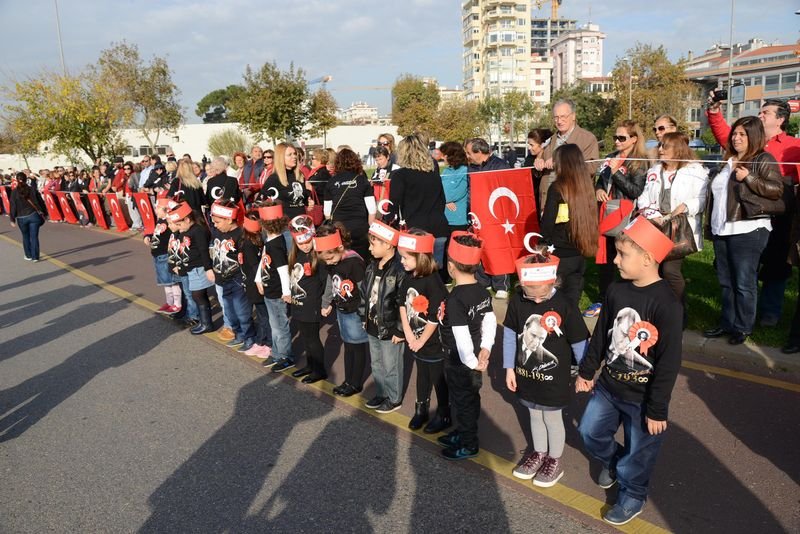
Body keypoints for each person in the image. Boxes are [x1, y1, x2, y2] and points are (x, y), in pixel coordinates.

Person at [576, 217, 682, 526]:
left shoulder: (667, 304)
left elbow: (668, 362)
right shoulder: (615, 290)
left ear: (648, 259)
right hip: (609, 388)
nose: (614, 259)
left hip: (643, 399)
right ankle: (614, 460)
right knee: (589, 432)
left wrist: (657, 409)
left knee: (640, 454)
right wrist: (586, 371)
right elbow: (601, 336)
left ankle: (633, 493)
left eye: (622, 254)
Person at [707, 96, 800, 328]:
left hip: (778, 212)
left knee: (776, 265)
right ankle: (736, 318)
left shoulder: (793, 146)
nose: (760, 115)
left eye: (765, 113)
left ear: (780, 119)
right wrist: (715, 111)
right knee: (738, 272)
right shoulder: (746, 143)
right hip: (742, 213)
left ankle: (769, 312)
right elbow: (724, 134)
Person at [504, 247, 589, 486]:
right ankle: (539, 453)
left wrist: (585, 372)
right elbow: (510, 334)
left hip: (555, 380)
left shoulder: (564, 304)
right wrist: (509, 367)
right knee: (533, 414)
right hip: (526, 375)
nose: (538, 300)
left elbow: (579, 339)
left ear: (553, 281)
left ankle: (554, 459)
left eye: (542, 294)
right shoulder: (518, 302)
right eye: (531, 295)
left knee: (551, 418)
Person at [703, 116, 784, 345]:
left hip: (748, 228)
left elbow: (776, 190)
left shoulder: (762, 159)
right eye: (735, 134)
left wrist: (748, 177)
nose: (736, 138)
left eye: (742, 134)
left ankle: (743, 327)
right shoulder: (727, 160)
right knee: (726, 281)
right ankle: (727, 322)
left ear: (754, 136)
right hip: (723, 229)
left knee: (743, 282)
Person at [637, 132, 709, 326]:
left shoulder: (696, 171)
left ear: (678, 149)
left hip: (678, 227)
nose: (660, 150)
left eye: (665, 147)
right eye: (660, 146)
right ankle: (656, 311)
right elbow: (643, 197)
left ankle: (678, 312)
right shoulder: (655, 170)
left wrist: (686, 206)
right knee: (652, 270)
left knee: (670, 270)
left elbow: (703, 199)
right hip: (655, 225)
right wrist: (652, 213)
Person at [437, 232, 496, 460]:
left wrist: (473, 362)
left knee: (463, 401)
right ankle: (462, 432)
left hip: (460, 361)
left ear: (451, 266)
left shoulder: (455, 299)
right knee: (468, 399)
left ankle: (469, 443)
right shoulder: (482, 291)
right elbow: (489, 320)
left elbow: (461, 338)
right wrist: (486, 348)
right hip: (473, 359)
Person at [588, 120, 649, 318]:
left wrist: (615, 172)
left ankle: (626, 300)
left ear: (633, 139)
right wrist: (598, 190)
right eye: (615, 137)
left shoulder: (639, 162)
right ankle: (604, 298)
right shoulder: (610, 158)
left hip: (625, 218)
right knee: (605, 260)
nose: (616, 141)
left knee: (624, 259)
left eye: (621, 138)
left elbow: (635, 190)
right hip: (606, 214)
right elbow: (600, 181)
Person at [398, 229, 450, 433]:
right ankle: (421, 410)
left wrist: (420, 340)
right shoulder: (408, 276)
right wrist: (409, 334)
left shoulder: (433, 281)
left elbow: (435, 316)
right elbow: (402, 303)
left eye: (405, 257)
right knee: (422, 375)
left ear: (420, 257)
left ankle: (444, 413)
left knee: (438, 377)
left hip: (433, 340)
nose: (401, 261)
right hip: (415, 338)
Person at [539, 144, 599, 309]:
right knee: (572, 303)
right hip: (580, 253)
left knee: (554, 304)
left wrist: (542, 243)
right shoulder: (587, 187)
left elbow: (547, 224)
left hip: (558, 253)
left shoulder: (557, 188)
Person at [316, 223, 370, 397]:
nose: (329, 263)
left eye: (330, 259)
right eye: (325, 261)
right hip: (342, 309)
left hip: (355, 311)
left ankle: (355, 383)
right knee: (348, 345)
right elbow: (332, 282)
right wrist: (326, 302)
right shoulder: (333, 261)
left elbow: (364, 290)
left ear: (339, 248)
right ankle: (348, 380)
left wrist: (364, 314)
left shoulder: (354, 263)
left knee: (358, 347)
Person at [360, 220, 406, 414]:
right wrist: (364, 316)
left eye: (373, 244)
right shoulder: (371, 267)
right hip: (372, 324)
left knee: (391, 365)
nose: (370, 248)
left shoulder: (399, 270)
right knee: (377, 363)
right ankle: (381, 392)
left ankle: (394, 398)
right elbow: (364, 294)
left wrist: (400, 329)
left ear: (388, 245)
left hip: (390, 328)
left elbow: (403, 303)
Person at [389, 135, 450, 270]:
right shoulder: (433, 173)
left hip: (415, 231)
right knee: (434, 272)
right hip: (438, 227)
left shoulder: (400, 175)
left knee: (414, 274)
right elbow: (442, 201)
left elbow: (393, 206)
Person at [465, 137, 513, 298]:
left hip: (497, 214)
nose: (467, 156)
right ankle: (482, 280)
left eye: (469, 152)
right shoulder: (470, 168)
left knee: (498, 248)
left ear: (479, 152)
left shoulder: (500, 165)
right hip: (476, 213)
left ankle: (501, 284)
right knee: (480, 246)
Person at [209, 199, 256, 353]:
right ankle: (238, 334)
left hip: (237, 280)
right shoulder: (217, 232)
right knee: (229, 312)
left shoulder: (240, 235)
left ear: (229, 219)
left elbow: (247, 260)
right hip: (222, 279)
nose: (215, 225)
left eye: (217, 222)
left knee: (242, 312)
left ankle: (249, 337)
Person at [287, 215, 329, 383]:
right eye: (300, 243)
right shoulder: (295, 256)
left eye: (307, 242)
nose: (304, 246)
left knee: (312, 339)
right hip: (298, 303)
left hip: (311, 304)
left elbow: (327, 282)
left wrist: (326, 303)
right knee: (305, 337)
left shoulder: (318, 258)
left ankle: (320, 370)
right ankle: (310, 365)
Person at [536, 99, 600, 210]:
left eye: (563, 117)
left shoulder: (587, 139)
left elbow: (591, 168)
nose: (559, 121)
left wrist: (560, 163)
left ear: (573, 116)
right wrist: (538, 161)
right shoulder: (550, 140)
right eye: (556, 117)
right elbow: (540, 162)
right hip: (548, 204)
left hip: (573, 204)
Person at [255, 200, 294, 372]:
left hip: (277, 291)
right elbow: (264, 260)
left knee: (280, 326)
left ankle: (285, 356)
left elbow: (283, 269)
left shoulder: (277, 244)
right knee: (275, 324)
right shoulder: (270, 242)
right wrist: (258, 278)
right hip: (269, 289)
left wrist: (286, 292)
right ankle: (277, 353)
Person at [167, 201, 214, 335]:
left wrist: (208, 268)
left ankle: (206, 323)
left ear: (187, 219)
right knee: (197, 296)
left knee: (198, 295)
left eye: (179, 224)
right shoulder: (185, 231)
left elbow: (203, 250)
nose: (178, 228)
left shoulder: (198, 231)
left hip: (199, 267)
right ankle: (204, 322)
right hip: (190, 268)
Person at [324, 147, 376, 261]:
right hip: (360, 229)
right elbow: (372, 210)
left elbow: (327, 212)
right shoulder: (362, 180)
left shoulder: (331, 182)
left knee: (342, 261)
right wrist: (371, 230)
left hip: (340, 230)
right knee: (362, 261)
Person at [239, 210, 273, 360]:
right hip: (253, 282)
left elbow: (254, 266)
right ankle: (261, 340)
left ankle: (269, 344)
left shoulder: (248, 243)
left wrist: (259, 282)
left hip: (256, 283)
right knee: (261, 314)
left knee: (264, 315)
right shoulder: (257, 239)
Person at [144, 198, 183, 315]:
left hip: (165, 255)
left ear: (166, 210)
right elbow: (156, 233)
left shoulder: (169, 222)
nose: (156, 209)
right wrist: (148, 236)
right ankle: (169, 302)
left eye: (158, 207)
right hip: (157, 255)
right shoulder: (160, 221)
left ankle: (177, 304)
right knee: (165, 282)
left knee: (172, 281)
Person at [259, 143, 311, 223]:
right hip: (285, 227)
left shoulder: (299, 175)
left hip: (303, 223)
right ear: (281, 157)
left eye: (294, 154)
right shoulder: (274, 178)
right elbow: (261, 201)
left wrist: (309, 201)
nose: (294, 157)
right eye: (289, 154)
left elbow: (301, 200)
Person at [9, 172, 46, 262]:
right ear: (26, 179)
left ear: (16, 180)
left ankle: (28, 255)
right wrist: (44, 212)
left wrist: (12, 219)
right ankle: (35, 257)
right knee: (34, 236)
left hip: (21, 217)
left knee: (25, 236)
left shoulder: (14, 192)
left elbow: (13, 206)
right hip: (33, 215)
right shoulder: (32, 189)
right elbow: (40, 201)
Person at [523, 128, 553, 201]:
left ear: (542, 145)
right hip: (531, 199)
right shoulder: (529, 158)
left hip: (546, 198)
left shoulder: (550, 160)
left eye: (531, 145)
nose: (529, 148)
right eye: (528, 144)